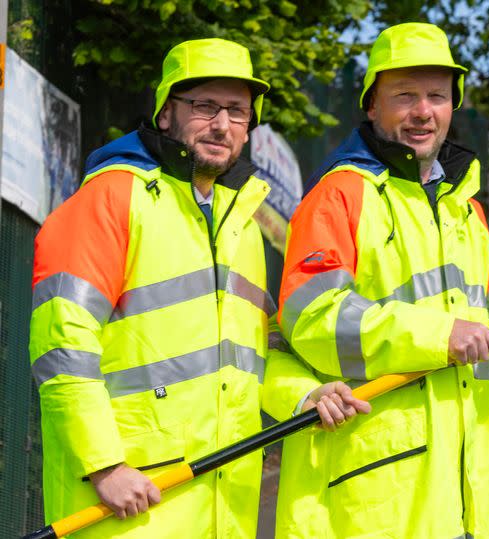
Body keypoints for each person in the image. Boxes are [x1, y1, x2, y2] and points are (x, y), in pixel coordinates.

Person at [29, 38, 367, 538]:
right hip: (124, 503)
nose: (222, 124)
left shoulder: (241, 226)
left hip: (220, 502)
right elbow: (63, 344)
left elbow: (254, 354)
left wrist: (306, 394)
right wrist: (102, 465)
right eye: (205, 106)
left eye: (237, 111)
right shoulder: (110, 198)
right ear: (166, 114)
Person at [270, 22, 489, 538]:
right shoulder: (338, 197)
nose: (422, 111)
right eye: (404, 96)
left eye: (437, 96)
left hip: (466, 486)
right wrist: (439, 336)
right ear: (372, 106)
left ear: (452, 107)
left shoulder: (464, 210)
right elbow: (312, 318)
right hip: (376, 494)